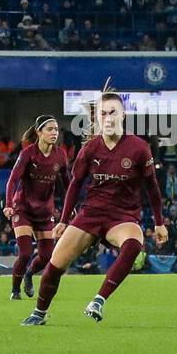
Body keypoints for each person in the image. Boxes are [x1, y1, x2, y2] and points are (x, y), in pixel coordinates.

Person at [23, 86, 165, 326]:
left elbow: (152, 188)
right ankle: (39, 313)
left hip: (122, 217)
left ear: (123, 116)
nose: (108, 118)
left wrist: (159, 223)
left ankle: (99, 299)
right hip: (90, 215)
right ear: (97, 118)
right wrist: (64, 220)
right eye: (103, 114)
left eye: (112, 112)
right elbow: (74, 186)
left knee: (134, 243)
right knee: (55, 266)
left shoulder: (140, 148)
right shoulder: (90, 149)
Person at [4, 115, 69, 301]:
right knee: (24, 253)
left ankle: (29, 275)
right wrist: (8, 204)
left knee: (47, 255)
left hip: (44, 210)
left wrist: (69, 206)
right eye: (50, 129)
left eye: (56, 129)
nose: (54, 133)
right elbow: (13, 180)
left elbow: (67, 183)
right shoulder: (28, 153)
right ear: (39, 132)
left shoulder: (60, 155)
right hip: (23, 208)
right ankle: (15, 290)